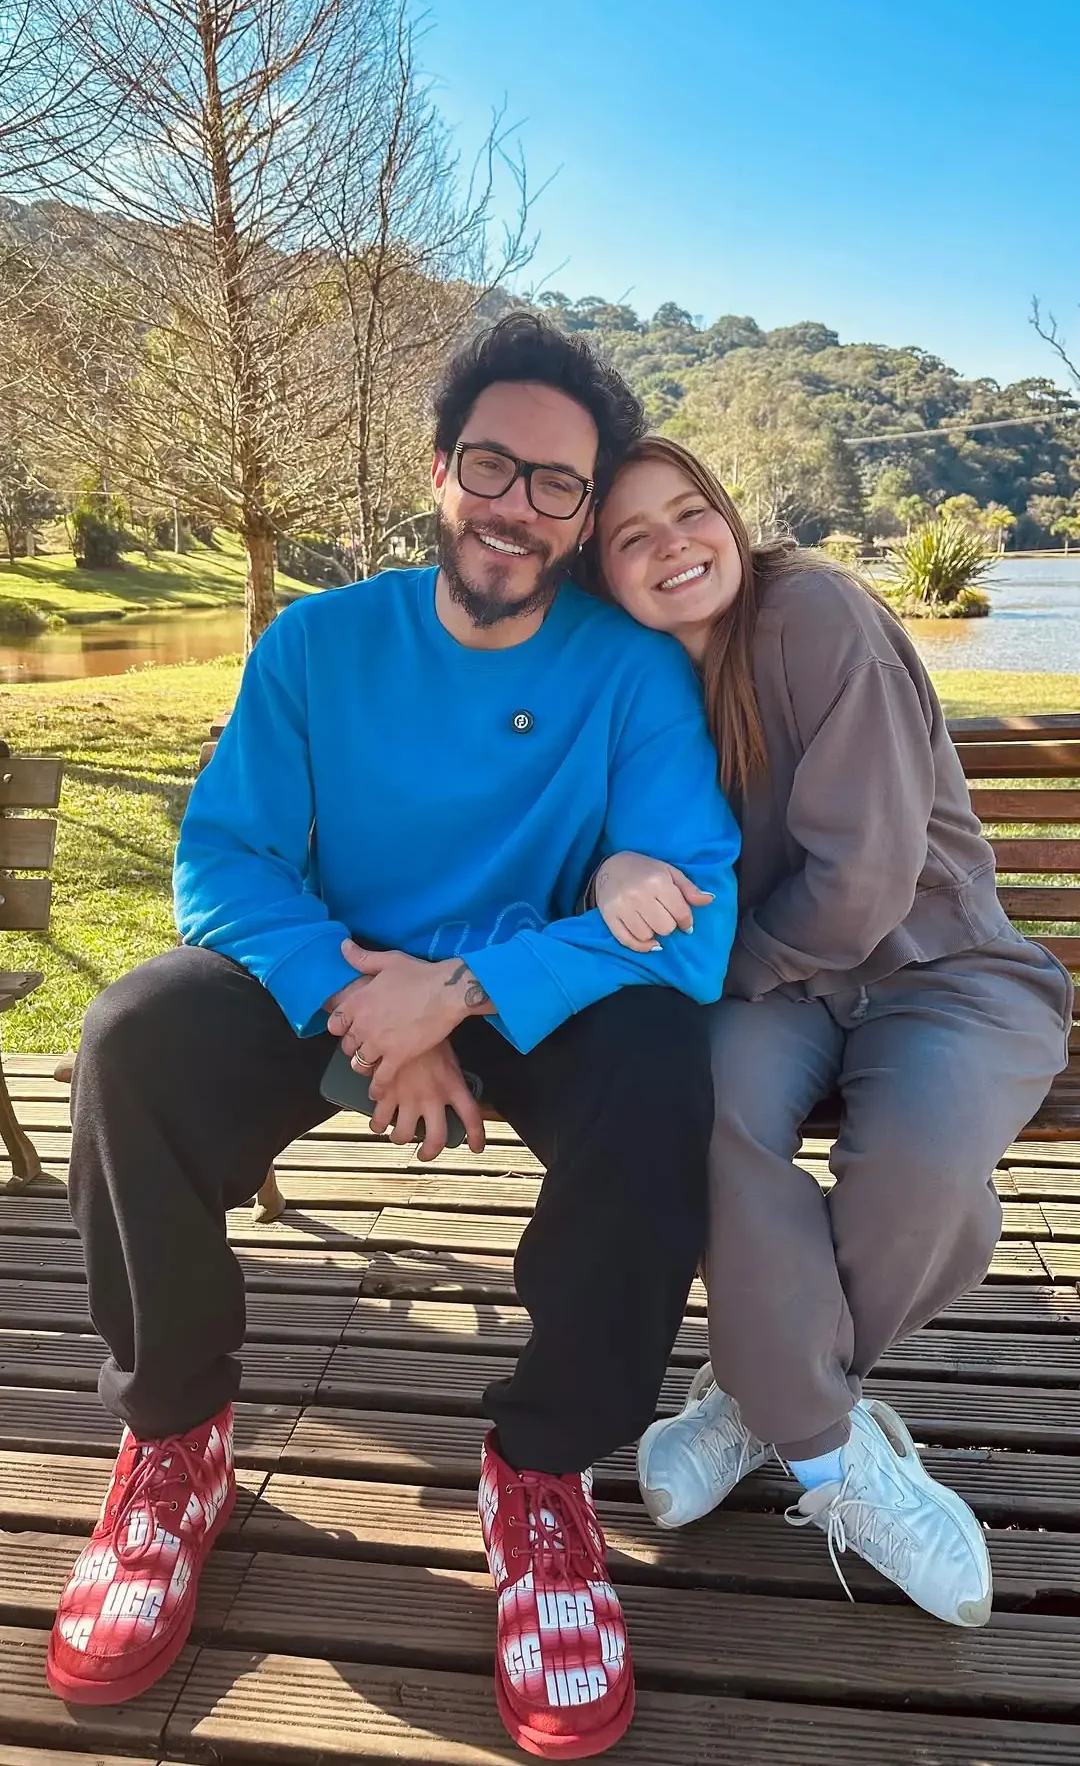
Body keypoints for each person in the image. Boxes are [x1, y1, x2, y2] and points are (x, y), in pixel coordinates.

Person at [48, 318, 742, 1761]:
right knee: (131, 1038)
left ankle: (542, 1472)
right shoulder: (317, 643)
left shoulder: (631, 673)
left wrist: (459, 994)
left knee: (664, 1061)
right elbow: (227, 858)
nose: (516, 506)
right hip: (345, 980)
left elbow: (693, 917)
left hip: (523, 997)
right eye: (491, 465)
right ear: (438, 469)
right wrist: (371, 1008)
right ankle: (175, 1442)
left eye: (557, 485)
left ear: (582, 515)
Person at [586, 434, 1072, 1630]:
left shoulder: (814, 614)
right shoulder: (632, 679)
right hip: (781, 989)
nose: (673, 546)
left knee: (927, 1178)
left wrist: (718, 969)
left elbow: (863, 882)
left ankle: (753, 1392)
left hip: (937, 966)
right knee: (711, 1116)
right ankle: (825, 1450)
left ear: (727, 511)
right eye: (633, 537)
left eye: (689, 511)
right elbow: (590, 831)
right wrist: (611, 871)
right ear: (601, 572)